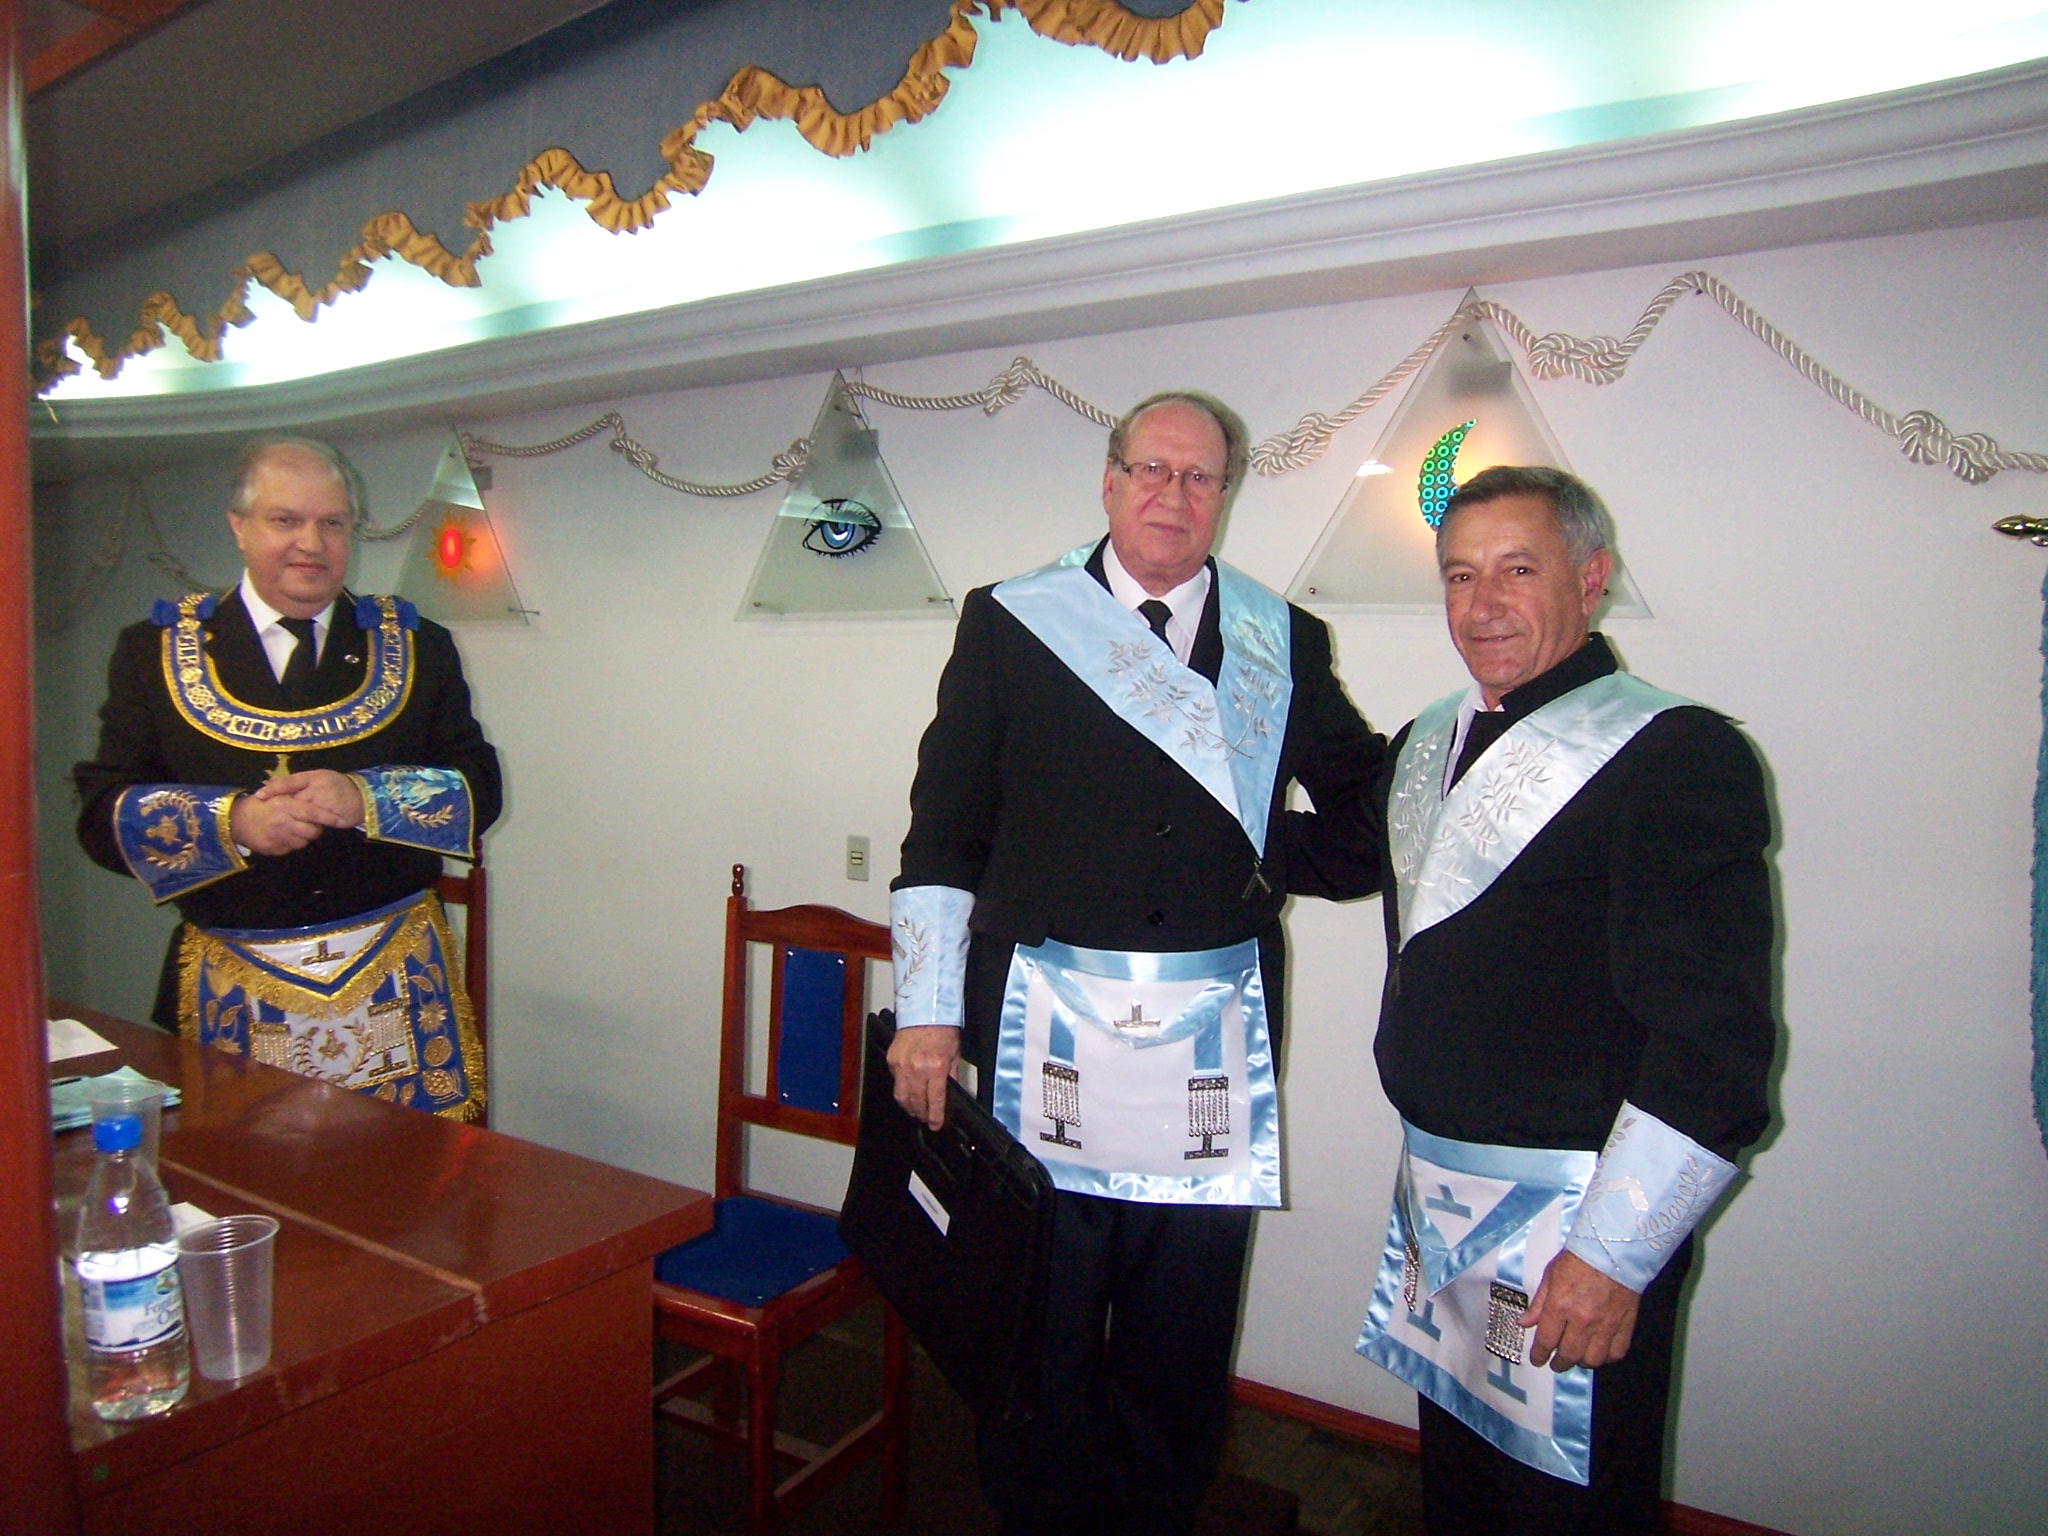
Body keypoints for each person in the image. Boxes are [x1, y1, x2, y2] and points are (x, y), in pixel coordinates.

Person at [887, 391, 1385, 1534]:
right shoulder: (1012, 620)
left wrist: (1262, 853)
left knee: (1182, 1318)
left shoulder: (1278, 637)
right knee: (1041, 1309)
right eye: (1151, 470)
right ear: (1109, 482)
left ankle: (1157, 1509)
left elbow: (1363, 819)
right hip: (1042, 1025)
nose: (1172, 495)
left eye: (1199, 476)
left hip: (1209, 1033)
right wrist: (926, 1012)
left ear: (1225, 495)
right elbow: (944, 830)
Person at [1353, 465, 1776, 1533]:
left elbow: (1712, 1041)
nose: (1481, 604)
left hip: (1572, 1224)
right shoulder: (1427, 743)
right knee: (1460, 1484)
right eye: (1459, 575)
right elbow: (1332, 853)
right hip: (1442, 1197)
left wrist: (1608, 1258)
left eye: (1516, 569)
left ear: (1590, 579)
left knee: (1568, 1509)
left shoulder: (1673, 753)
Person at [74, 437, 502, 1120]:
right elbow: (102, 814)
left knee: (415, 1183)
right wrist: (234, 823)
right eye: (286, 520)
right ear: (239, 526)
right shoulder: (155, 651)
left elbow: (479, 785)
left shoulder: (417, 645)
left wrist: (365, 797)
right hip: (233, 985)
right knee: (242, 1181)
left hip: (396, 983)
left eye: (332, 523)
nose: (312, 543)